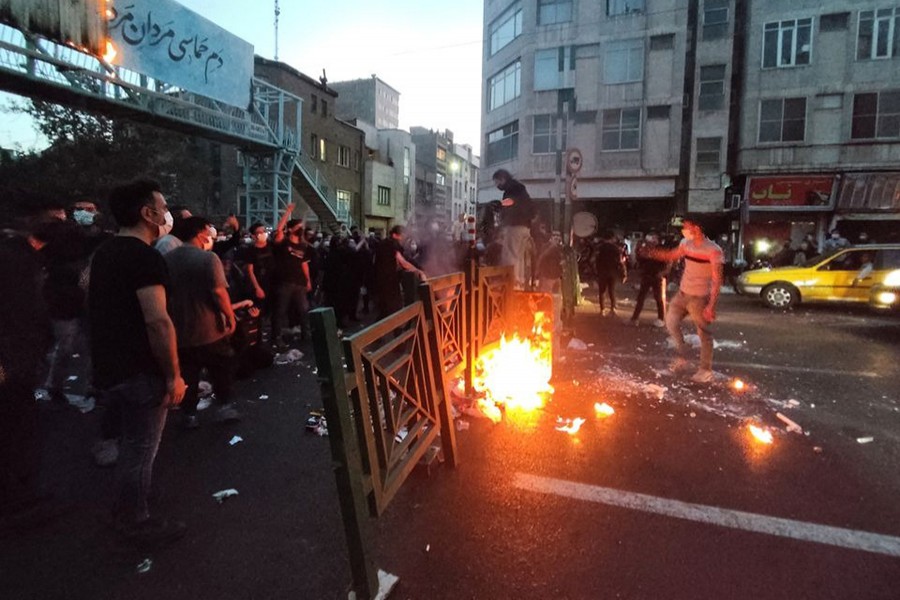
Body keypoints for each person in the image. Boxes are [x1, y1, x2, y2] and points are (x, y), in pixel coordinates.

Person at [88, 178, 186, 544]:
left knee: (132, 443)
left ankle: (132, 499)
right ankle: (134, 518)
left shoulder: (106, 252)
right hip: (140, 370)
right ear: (147, 213)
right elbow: (157, 320)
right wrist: (174, 375)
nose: (166, 213)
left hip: (111, 366)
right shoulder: (144, 257)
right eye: (162, 207)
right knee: (140, 448)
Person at [164, 217, 240, 429]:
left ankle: (188, 415)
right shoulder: (208, 259)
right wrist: (230, 317)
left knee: (188, 373)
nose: (210, 235)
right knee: (221, 368)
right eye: (208, 231)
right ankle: (225, 407)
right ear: (199, 234)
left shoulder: (167, 259)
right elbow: (219, 292)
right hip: (209, 329)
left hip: (180, 329)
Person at [642, 217, 724, 383]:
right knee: (671, 323)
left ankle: (705, 369)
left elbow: (717, 279)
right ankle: (683, 356)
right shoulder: (686, 243)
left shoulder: (714, 250)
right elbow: (672, 255)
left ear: (697, 228)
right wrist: (651, 253)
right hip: (683, 294)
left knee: (703, 333)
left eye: (687, 226)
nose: (684, 229)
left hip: (700, 297)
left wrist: (711, 306)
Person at [272, 213, 311, 348]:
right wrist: (287, 212)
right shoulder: (283, 242)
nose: (301, 229)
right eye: (299, 226)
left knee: (304, 310)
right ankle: (277, 337)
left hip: (299, 282)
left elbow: (303, 263)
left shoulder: (302, 245)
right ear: (290, 229)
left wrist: (308, 280)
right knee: (280, 311)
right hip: (285, 281)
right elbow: (279, 231)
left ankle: (306, 334)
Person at [492, 169, 535, 288]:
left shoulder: (512, 188)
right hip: (525, 227)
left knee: (510, 254)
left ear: (502, 178)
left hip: (515, 226)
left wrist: (500, 204)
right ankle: (519, 283)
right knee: (519, 256)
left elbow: (512, 201)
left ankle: (511, 282)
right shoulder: (520, 188)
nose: (497, 185)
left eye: (497, 182)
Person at [373, 225, 425, 320]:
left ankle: (382, 328)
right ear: (395, 235)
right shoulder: (391, 245)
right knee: (394, 307)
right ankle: (396, 330)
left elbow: (405, 259)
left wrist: (419, 267)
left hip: (383, 279)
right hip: (389, 280)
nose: (404, 237)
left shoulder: (385, 243)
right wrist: (419, 272)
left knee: (385, 308)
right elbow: (403, 262)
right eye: (402, 235)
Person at [630, 232, 668, 327]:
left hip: (656, 276)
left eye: (654, 239)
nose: (652, 241)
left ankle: (661, 319)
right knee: (641, 297)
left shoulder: (661, 250)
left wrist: (662, 273)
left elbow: (666, 263)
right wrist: (638, 251)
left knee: (658, 298)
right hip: (647, 276)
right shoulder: (646, 249)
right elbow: (640, 260)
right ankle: (635, 318)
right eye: (651, 239)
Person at [594, 231, 624, 316]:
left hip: (602, 272)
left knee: (602, 291)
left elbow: (596, 260)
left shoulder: (600, 248)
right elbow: (620, 262)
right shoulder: (616, 249)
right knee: (611, 290)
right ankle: (613, 308)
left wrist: (596, 271)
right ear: (612, 238)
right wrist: (622, 273)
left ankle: (602, 309)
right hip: (612, 272)